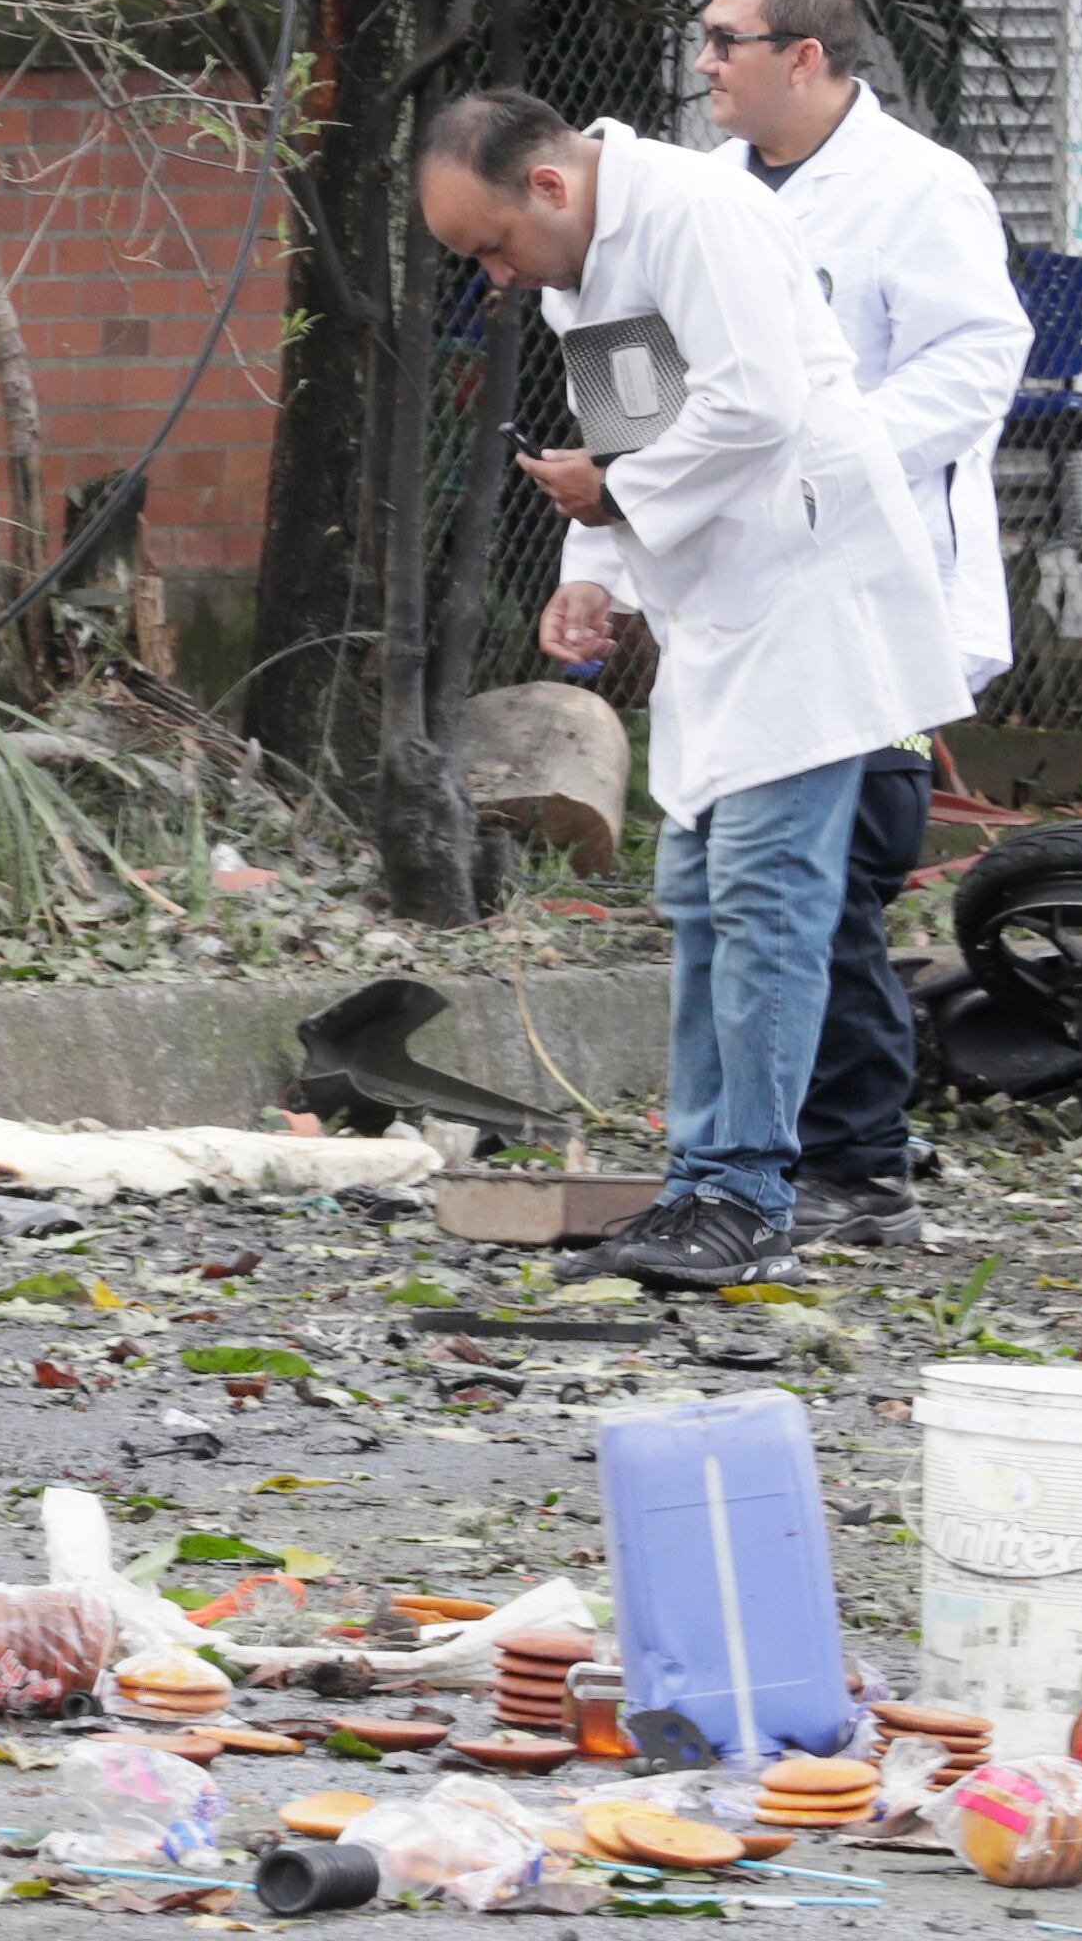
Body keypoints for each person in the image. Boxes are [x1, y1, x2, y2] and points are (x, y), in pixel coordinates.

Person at [418, 88, 974, 1290]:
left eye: (492, 246)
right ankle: (702, 1186)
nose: (499, 277)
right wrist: (594, 572)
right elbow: (632, 428)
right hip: (729, 606)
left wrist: (614, 503)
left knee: (769, 892)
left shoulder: (697, 213)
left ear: (549, 188)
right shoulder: (589, 261)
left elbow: (759, 405)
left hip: (811, 586)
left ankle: (748, 1192)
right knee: (705, 893)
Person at [687, 0, 1028, 1255]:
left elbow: (981, 355)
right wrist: (601, 559)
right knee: (734, 880)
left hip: (880, 596)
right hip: (744, 598)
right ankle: (750, 1152)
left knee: (824, 871)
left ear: (806, 59)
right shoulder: (693, 196)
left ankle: (857, 1163)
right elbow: (636, 374)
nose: (706, 62)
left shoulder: (919, 193)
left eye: (728, 40)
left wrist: (837, 460)